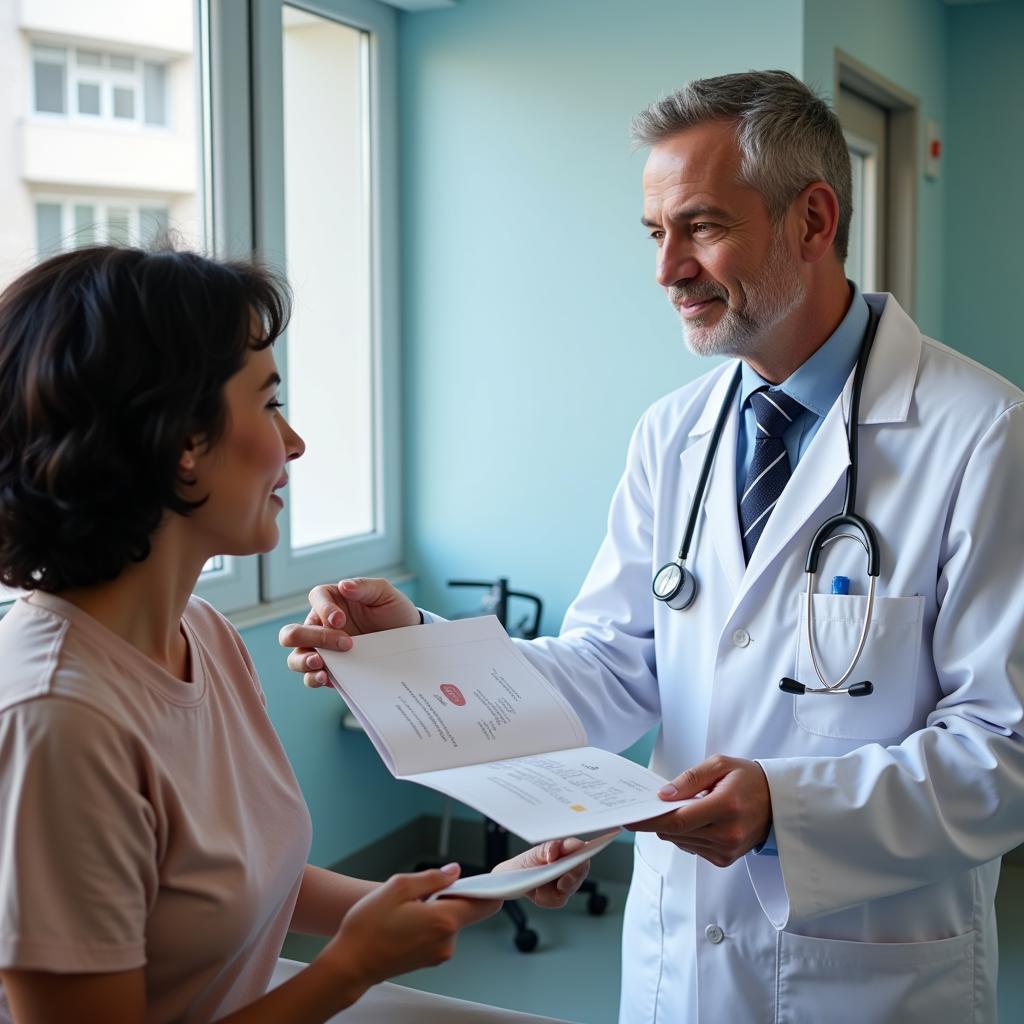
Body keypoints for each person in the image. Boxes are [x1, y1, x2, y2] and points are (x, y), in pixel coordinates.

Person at [282, 69, 1024, 1023]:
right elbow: (612, 666)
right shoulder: (673, 433)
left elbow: (1005, 748)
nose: (666, 269)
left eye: (702, 226)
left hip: (868, 977)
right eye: (655, 232)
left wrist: (784, 811)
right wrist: (412, 647)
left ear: (813, 219)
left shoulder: (982, 435)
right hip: (681, 963)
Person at [0, 245, 589, 1023]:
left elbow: (243, 882)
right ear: (182, 440)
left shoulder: (202, 632)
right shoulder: (57, 722)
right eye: (269, 403)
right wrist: (350, 968)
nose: (295, 443)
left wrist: (458, 894)